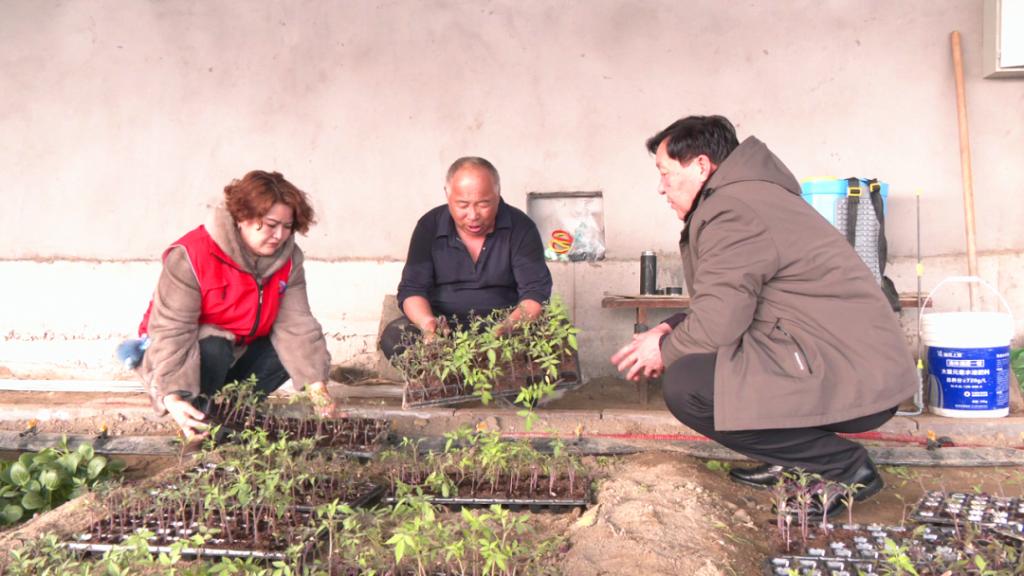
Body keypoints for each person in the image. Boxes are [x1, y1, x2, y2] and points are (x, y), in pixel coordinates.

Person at [611, 115, 917, 516]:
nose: (660, 187)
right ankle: (793, 459)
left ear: (701, 166)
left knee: (689, 386)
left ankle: (843, 467)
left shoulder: (732, 210)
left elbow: (719, 323)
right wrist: (668, 327)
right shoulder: (749, 197)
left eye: (665, 173)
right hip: (847, 362)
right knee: (712, 364)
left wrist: (664, 351)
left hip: (851, 372)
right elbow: (732, 300)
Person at [133, 170, 334, 440]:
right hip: (180, 351)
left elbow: (296, 324)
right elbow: (171, 330)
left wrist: (318, 391)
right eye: (271, 224)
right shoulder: (192, 255)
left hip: (240, 346)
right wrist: (171, 395)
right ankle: (196, 417)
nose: (279, 235)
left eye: (287, 227)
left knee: (286, 353)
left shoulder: (288, 260)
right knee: (214, 347)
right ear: (242, 217)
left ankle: (230, 416)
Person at [380, 156, 553, 358]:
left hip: (504, 326)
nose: (473, 215)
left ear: (498, 195)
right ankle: (441, 376)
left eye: (483, 204)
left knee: (545, 339)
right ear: (448, 195)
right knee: (395, 338)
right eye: (462, 205)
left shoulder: (521, 227)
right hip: (444, 327)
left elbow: (535, 293)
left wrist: (504, 329)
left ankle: (499, 375)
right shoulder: (429, 226)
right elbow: (412, 288)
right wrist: (428, 324)